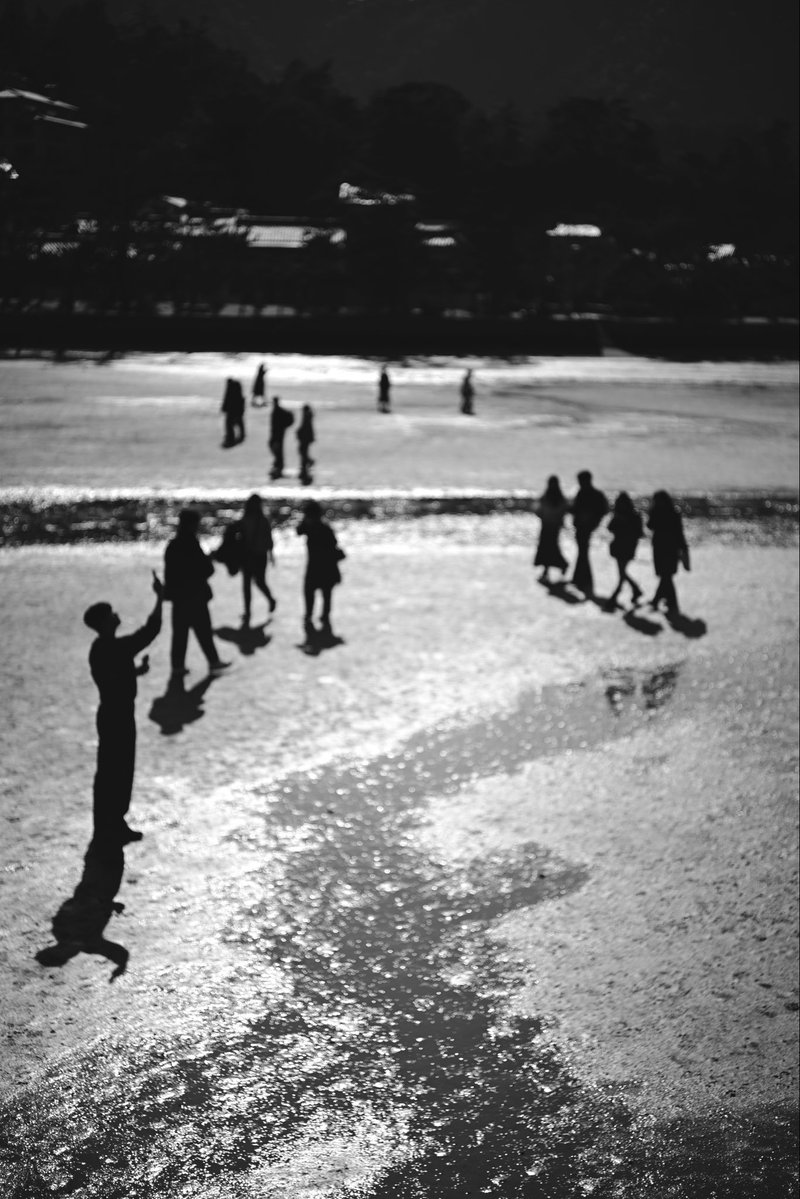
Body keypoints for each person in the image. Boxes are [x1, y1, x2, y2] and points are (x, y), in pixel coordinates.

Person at [83, 571, 164, 847]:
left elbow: (112, 677)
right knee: (118, 771)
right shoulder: (117, 648)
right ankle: (113, 824)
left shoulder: (99, 648)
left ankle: (106, 824)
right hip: (119, 717)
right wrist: (160, 598)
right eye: (112, 614)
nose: (117, 615)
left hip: (109, 714)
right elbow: (151, 631)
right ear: (105, 623)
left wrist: (136, 670)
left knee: (107, 771)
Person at [164, 508, 230, 679]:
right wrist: (209, 559)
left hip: (179, 597)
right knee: (203, 631)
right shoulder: (192, 544)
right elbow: (206, 570)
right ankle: (213, 661)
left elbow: (169, 574)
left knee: (180, 634)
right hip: (195, 595)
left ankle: (177, 667)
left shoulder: (173, 545)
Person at [296, 500, 344, 636]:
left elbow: (298, 531)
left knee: (311, 593)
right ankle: (322, 616)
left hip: (316, 566)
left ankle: (311, 616)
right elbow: (299, 531)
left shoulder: (312, 527)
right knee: (325, 594)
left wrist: (305, 520)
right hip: (325, 566)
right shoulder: (324, 527)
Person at [647, 490, 690, 616]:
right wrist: (683, 547)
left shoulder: (660, 513)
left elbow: (650, 525)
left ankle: (665, 601)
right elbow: (679, 533)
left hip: (663, 548)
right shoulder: (673, 513)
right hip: (669, 548)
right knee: (666, 575)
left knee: (666, 576)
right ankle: (666, 601)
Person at [239, 493, 277, 625]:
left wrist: (271, 554)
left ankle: (270, 600)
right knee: (247, 584)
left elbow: (269, 539)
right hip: (250, 555)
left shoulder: (260, 520)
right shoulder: (248, 519)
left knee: (258, 582)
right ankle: (248, 611)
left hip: (258, 555)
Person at [570, 470, 609, 596]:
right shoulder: (591, 493)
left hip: (585, 526)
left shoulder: (589, 493)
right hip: (583, 526)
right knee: (583, 551)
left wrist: (592, 520)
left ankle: (583, 579)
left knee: (583, 552)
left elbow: (602, 510)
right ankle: (579, 578)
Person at [607, 492, 644, 606]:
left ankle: (615, 596)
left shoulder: (634, 516)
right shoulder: (622, 515)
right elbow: (610, 527)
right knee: (622, 572)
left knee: (622, 573)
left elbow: (639, 533)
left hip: (627, 546)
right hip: (620, 546)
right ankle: (635, 590)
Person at [533, 475, 570, 583]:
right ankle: (547, 571)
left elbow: (539, 510)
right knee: (548, 548)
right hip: (550, 526)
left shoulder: (549, 497)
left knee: (549, 548)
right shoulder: (557, 497)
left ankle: (560, 565)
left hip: (550, 526)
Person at [269, 396, 294, 479]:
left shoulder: (278, 411)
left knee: (277, 449)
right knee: (277, 449)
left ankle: (279, 464)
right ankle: (278, 463)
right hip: (278, 433)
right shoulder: (278, 410)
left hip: (278, 434)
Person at [221, 378, 246, 446]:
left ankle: (231, 437)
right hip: (237, 410)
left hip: (231, 410)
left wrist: (224, 408)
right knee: (239, 422)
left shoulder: (230, 389)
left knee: (229, 424)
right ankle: (240, 435)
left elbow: (227, 400)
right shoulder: (237, 390)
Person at [296, 404, 315, 484]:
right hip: (306, 438)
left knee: (303, 453)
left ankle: (307, 465)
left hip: (305, 438)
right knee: (303, 452)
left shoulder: (306, 417)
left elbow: (305, 427)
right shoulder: (308, 416)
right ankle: (305, 466)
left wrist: (299, 433)